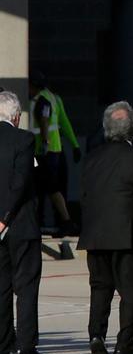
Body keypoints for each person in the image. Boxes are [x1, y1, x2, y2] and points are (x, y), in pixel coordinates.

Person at [78, 101, 133, 354]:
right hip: (127, 235)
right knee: (131, 291)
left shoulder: (92, 158)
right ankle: (125, 345)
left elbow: (85, 196)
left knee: (100, 288)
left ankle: (96, 336)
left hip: (96, 234)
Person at [0, 91, 52, 354]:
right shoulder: (24, 139)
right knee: (27, 285)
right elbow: (20, 182)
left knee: (2, 286)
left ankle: (2, 344)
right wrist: (5, 217)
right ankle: (26, 344)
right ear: (16, 116)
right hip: (20, 223)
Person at [28, 71, 80, 236]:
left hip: (42, 151)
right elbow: (65, 123)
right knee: (48, 186)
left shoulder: (39, 100)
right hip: (55, 150)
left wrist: (43, 143)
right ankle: (61, 222)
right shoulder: (54, 98)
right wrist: (75, 145)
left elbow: (43, 123)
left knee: (45, 187)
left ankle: (61, 222)